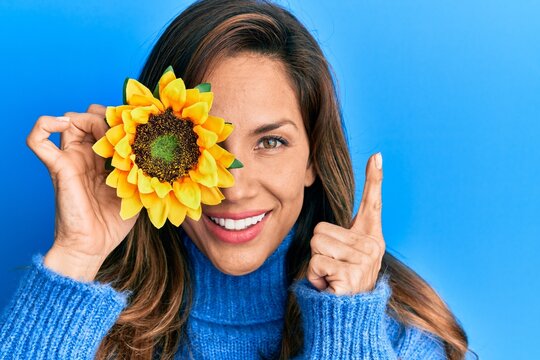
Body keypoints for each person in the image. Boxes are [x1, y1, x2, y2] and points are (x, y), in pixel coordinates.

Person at [0, 0, 473, 359]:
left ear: (313, 158)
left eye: (270, 142)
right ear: (148, 155)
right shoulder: (79, 328)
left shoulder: (399, 340)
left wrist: (345, 331)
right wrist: (77, 256)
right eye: (204, 146)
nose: (233, 188)